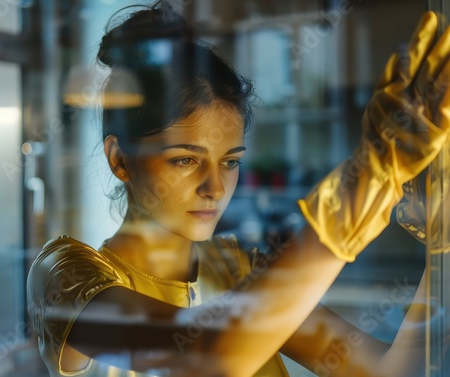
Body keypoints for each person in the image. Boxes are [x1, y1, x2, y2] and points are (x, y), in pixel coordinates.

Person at [26, 2, 450, 376]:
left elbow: (385, 372)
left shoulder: (238, 271)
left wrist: (443, 247)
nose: (215, 187)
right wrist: (370, 180)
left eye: (229, 162)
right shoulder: (63, 274)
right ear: (120, 160)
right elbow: (210, 358)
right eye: (185, 160)